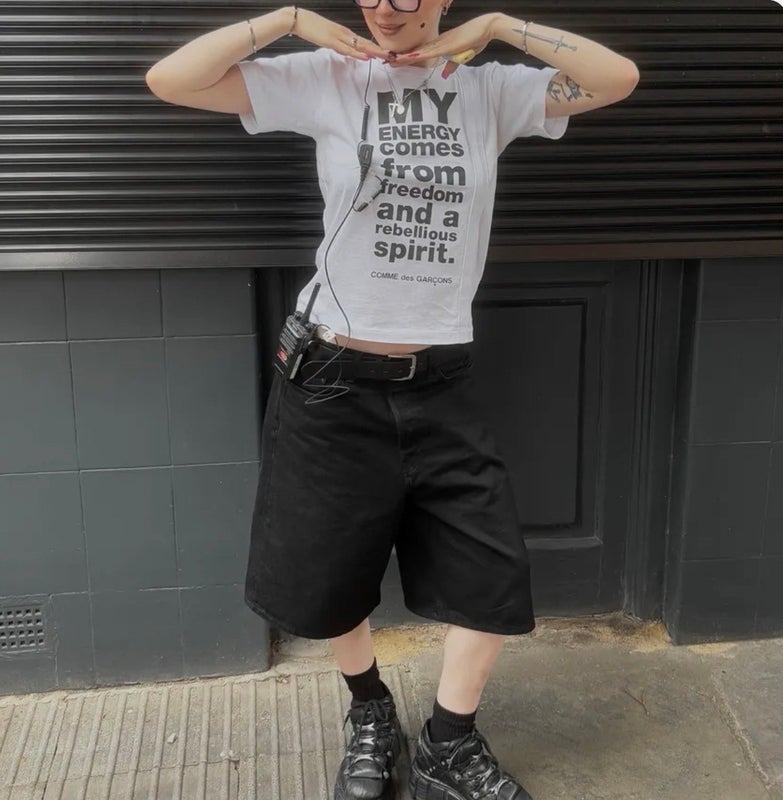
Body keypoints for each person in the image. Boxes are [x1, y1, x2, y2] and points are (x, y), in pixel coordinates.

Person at [145, 4, 638, 798]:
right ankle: (369, 711)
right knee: (331, 570)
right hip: (330, 377)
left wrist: (495, 26)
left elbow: (616, 78)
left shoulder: (487, 93)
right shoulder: (327, 79)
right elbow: (171, 80)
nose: (386, 8)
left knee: (489, 573)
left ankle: (448, 741)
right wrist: (292, 18)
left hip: (437, 379)